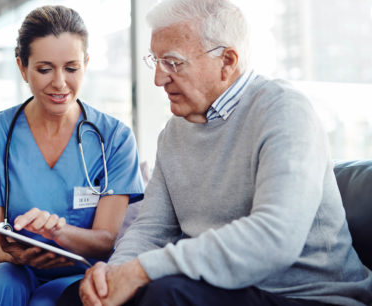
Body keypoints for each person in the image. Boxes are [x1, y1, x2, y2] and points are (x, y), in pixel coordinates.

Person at [59, 0, 372, 305]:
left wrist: (141, 271)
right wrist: (114, 276)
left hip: (306, 294)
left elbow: (275, 239)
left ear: (227, 61)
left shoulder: (284, 111)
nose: (158, 78)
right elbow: (152, 229)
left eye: (173, 62)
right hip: (221, 288)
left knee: (166, 294)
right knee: (78, 297)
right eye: (155, 62)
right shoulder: (174, 133)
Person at [0, 5, 144, 306]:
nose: (59, 83)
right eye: (44, 69)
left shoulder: (114, 138)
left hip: (80, 273)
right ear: (22, 67)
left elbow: (105, 239)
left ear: (86, 64)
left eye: (71, 68)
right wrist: (14, 253)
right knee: (4, 283)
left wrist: (58, 232)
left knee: (47, 301)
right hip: (16, 268)